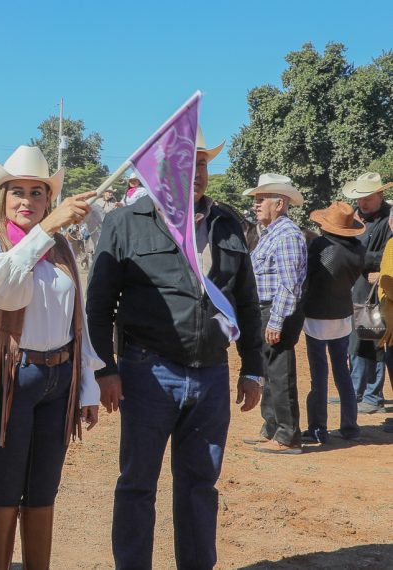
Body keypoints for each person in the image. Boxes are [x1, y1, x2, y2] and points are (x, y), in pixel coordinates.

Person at [87, 130, 264, 569]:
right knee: (137, 485)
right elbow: (99, 304)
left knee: (200, 485)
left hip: (211, 375)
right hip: (147, 372)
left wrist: (253, 368)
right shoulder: (125, 222)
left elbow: (246, 299)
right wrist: (105, 370)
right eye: (188, 164)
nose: (198, 174)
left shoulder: (227, 223)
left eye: (202, 164)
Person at [0, 145, 101, 570]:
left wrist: (87, 383)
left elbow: (77, 317)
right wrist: (46, 231)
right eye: (18, 192)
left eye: (37, 193)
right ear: (2, 198)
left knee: (44, 490)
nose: (28, 201)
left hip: (58, 379)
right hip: (10, 375)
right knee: (5, 487)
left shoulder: (61, 247)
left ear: (48, 198)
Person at [241, 174, 307, 454]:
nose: (256, 205)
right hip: (267, 309)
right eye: (256, 201)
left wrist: (277, 319)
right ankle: (272, 428)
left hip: (277, 310)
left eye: (261, 200)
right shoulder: (272, 233)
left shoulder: (287, 235)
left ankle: (287, 435)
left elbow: (289, 283)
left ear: (279, 204)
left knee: (279, 373)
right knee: (269, 371)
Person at [302, 201, 364, 443]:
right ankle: (350, 427)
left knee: (319, 374)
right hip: (343, 314)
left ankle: (318, 428)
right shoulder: (358, 249)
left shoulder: (320, 246)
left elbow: (307, 277)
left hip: (317, 315)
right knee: (342, 373)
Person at [343, 172, 393, 414]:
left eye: (367, 198)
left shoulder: (388, 220)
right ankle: (357, 391)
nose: (362, 203)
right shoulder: (354, 218)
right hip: (354, 287)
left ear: (380, 195)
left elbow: (387, 255)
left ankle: (372, 395)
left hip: (374, 289)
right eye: (360, 198)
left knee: (372, 339)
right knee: (356, 340)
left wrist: (357, 259)